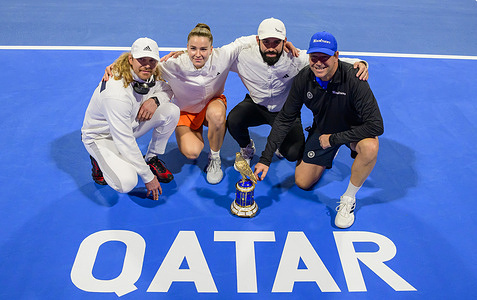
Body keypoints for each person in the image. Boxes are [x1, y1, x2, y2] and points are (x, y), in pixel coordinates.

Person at [254, 31, 384, 229]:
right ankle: (329, 153)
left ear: (336, 56)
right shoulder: (303, 79)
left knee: (370, 147)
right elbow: (285, 119)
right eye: (314, 57)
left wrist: (334, 140)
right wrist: (265, 158)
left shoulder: (354, 79)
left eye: (325, 57)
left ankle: (348, 198)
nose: (319, 63)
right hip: (324, 130)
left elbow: (376, 125)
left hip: (354, 132)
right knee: (303, 182)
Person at [105, 24, 257, 184]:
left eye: (203, 49)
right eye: (193, 49)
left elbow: (244, 41)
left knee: (217, 115)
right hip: (186, 112)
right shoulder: (173, 64)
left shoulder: (223, 56)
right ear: (187, 48)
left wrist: (280, 42)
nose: (198, 54)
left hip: (212, 106)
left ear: (211, 49)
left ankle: (215, 159)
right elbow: (144, 67)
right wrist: (117, 67)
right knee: (192, 152)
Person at [227, 18, 369, 169]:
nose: (271, 47)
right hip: (256, 105)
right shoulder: (243, 57)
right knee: (233, 120)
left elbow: (332, 63)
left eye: (276, 42)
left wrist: (360, 63)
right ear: (257, 40)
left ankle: (280, 144)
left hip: (286, 113)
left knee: (294, 153)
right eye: (266, 42)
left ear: (285, 41)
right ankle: (247, 148)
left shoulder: (295, 58)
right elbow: (217, 58)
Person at [82, 37, 180, 201]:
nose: (147, 65)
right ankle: (98, 159)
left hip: (128, 125)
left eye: (152, 60)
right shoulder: (116, 94)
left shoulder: (149, 75)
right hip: (102, 137)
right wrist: (148, 178)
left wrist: (154, 101)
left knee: (171, 111)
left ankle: (151, 158)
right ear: (130, 59)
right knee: (127, 183)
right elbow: (125, 140)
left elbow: (168, 89)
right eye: (142, 59)